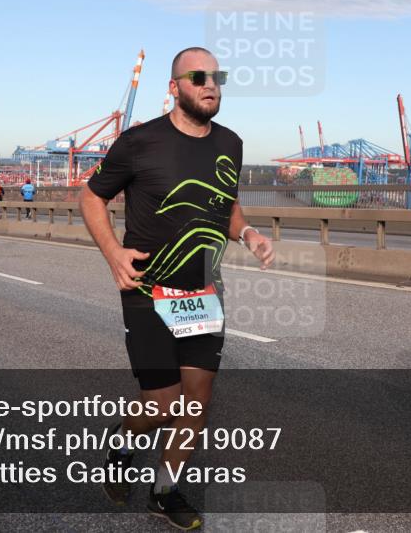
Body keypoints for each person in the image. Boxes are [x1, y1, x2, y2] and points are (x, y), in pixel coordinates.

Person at [81, 47, 274, 529]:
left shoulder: (231, 142)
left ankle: (164, 491)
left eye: (217, 76)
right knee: (164, 405)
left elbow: (226, 203)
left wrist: (247, 233)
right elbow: (91, 196)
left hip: (203, 293)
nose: (211, 84)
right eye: (198, 76)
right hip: (147, 288)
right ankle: (123, 442)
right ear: (174, 87)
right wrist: (113, 254)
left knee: (197, 400)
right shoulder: (138, 142)